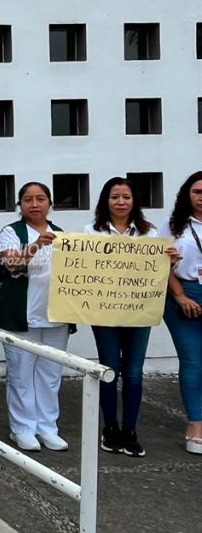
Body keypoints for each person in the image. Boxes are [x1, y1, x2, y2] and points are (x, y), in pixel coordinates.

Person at [86, 177, 172, 457]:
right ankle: (110, 428)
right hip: (105, 315)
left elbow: (158, 272)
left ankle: (130, 430)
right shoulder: (91, 232)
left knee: (134, 374)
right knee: (109, 370)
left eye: (126, 197)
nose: (120, 202)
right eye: (114, 197)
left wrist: (170, 260)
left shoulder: (151, 234)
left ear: (134, 201)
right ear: (105, 201)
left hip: (139, 314)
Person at [0, 182, 69, 452]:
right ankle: (22, 428)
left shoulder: (62, 234)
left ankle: (48, 427)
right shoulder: (11, 232)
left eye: (40, 199)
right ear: (20, 205)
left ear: (50, 203)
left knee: (50, 374)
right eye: (27, 199)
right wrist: (36, 245)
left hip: (56, 316)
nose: (34, 204)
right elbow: (12, 263)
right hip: (20, 315)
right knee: (21, 373)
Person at [162, 171, 202, 456]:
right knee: (193, 362)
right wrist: (179, 295)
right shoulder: (174, 225)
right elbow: (161, 264)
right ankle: (196, 424)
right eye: (198, 191)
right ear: (187, 194)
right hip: (184, 295)